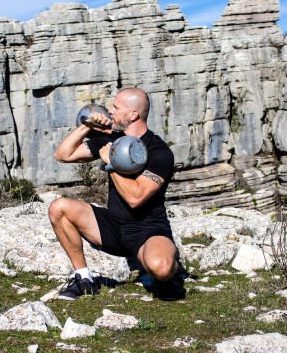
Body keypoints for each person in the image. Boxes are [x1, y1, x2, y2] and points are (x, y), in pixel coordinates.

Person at [48, 87, 185, 300]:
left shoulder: (159, 152)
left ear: (133, 115)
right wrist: (87, 126)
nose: (110, 112)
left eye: (116, 107)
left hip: (148, 231)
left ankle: (168, 276)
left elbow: (135, 198)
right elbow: (62, 155)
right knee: (59, 208)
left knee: (162, 268)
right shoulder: (110, 139)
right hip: (113, 227)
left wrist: (111, 163)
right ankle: (84, 279)